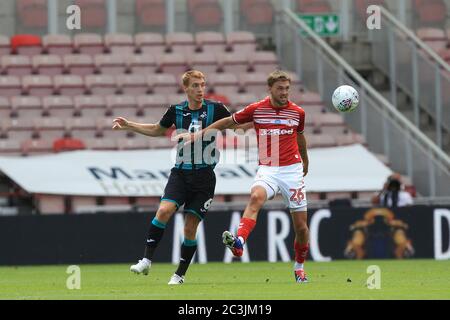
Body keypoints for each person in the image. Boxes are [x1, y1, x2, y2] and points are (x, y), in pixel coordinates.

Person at [177, 70, 310, 283]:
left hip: (292, 171)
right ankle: (239, 242)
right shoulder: (257, 109)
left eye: (287, 88)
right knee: (256, 197)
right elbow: (226, 122)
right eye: (280, 88)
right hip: (268, 169)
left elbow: (300, 136)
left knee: (301, 228)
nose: (284, 92)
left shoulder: (297, 112)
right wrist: (198, 135)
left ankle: (299, 266)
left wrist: (305, 160)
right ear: (270, 89)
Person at [112, 70, 231, 285]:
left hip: (204, 177)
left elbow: (236, 124)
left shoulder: (216, 109)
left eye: (203, 85)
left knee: (189, 227)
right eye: (195, 86)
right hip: (181, 173)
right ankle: (146, 260)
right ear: (186, 88)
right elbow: (158, 130)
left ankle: (179, 274)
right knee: (164, 210)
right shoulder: (176, 111)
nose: (200, 90)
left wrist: (259, 120)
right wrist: (130, 125)